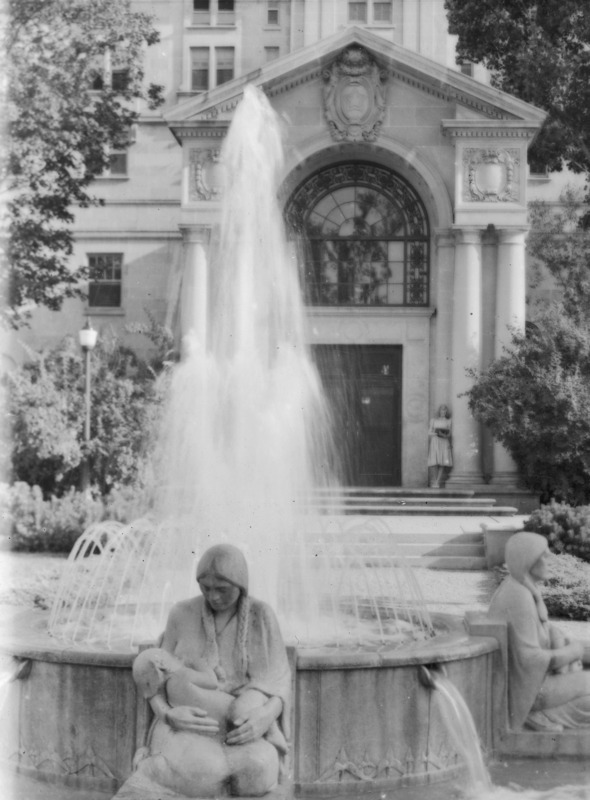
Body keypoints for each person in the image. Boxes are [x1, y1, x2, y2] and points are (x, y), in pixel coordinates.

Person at [123, 544, 291, 799]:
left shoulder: (262, 615)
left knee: (257, 770)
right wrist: (169, 715)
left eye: (222, 589)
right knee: (204, 771)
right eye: (206, 588)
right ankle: (153, 770)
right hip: (185, 727)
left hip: (241, 729)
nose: (213, 597)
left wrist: (265, 717)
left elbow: (279, 681)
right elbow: (153, 681)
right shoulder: (181, 613)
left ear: (241, 585)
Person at [488, 531, 590, 732]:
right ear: (528, 560)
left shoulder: (522, 588)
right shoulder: (519, 597)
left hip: (534, 681)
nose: (550, 559)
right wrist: (574, 652)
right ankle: (541, 717)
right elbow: (530, 659)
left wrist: (556, 634)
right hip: (530, 691)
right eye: (543, 555)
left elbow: (537, 629)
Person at [427, 404, 452, 488]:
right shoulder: (433, 420)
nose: (443, 412)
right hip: (435, 441)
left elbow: (449, 433)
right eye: (442, 410)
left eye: (445, 410)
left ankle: (437, 482)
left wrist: (445, 435)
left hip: (444, 441)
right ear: (439, 411)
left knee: (442, 462)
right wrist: (437, 433)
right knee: (434, 461)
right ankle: (434, 480)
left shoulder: (448, 421)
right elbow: (429, 432)